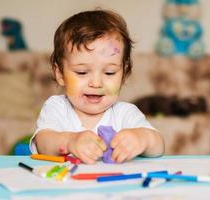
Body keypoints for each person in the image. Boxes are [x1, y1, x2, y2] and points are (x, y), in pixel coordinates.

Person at [30, 9, 165, 164]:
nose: (96, 83)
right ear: (60, 74)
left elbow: (158, 146)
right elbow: (43, 143)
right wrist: (70, 141)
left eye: (109, 72)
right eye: (82, 72)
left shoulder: (124, 113)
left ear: (123, 74)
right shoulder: (57, 107)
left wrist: (142, 138)